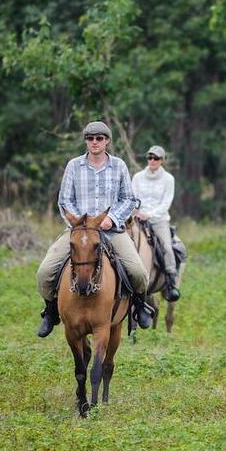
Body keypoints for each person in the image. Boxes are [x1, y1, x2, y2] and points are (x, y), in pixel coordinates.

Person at [35, 121, 152, 337]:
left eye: (99, 138)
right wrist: (80, 223)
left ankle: (140, 306)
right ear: (86, 142)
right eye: (90, 138)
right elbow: (64, 200)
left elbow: (128, 199)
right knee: (44, 272)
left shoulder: (119, 166)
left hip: (111, 231)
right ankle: (50, 311)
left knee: (138, 271)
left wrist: (112, 218)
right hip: (79, 233)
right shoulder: (73, 166)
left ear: (107, 141)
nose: (94, 142)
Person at [132, 145, 180, 302]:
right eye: (150, 157)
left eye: (156, 158)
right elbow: (133, 197)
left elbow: (166, 203)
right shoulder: (137, 177)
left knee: (167, 247)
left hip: (159, 220)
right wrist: (137, 212)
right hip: (138, 219)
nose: (152, 160)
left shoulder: (168, 179)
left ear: (162, 160)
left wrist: (149, 214)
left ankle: (170, 280)